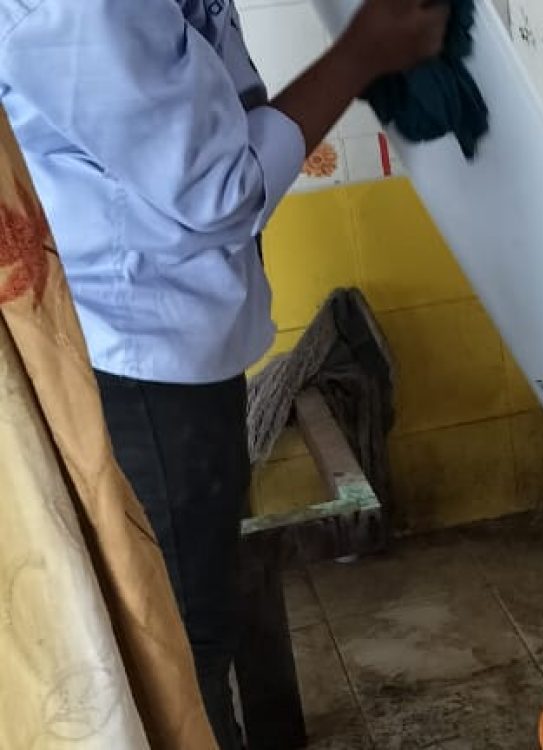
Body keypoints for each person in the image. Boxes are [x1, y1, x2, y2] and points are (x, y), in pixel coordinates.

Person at [0, 0, 449, 747]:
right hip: (141, 362)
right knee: (184, 644)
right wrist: (363, 53)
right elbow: (220, 188)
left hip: (164, 350)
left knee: (202, 612)